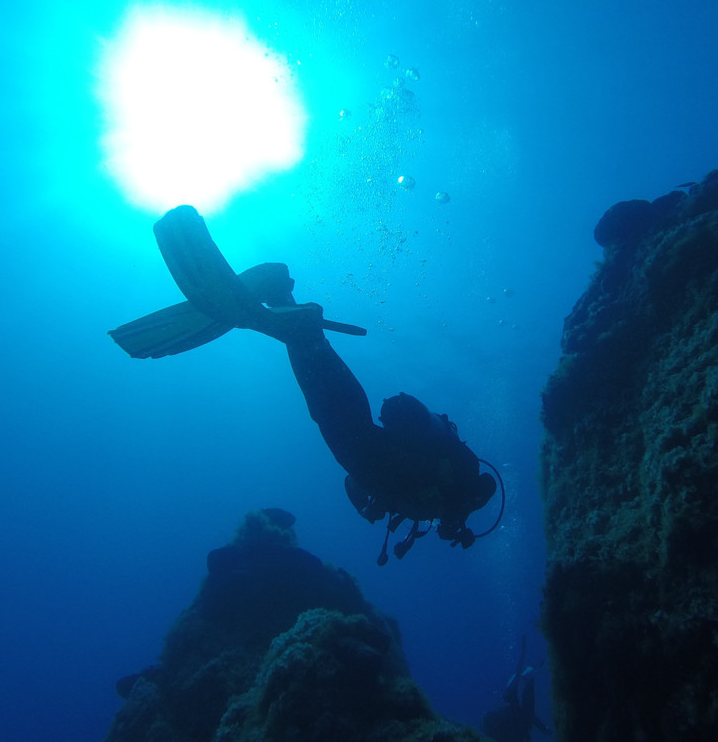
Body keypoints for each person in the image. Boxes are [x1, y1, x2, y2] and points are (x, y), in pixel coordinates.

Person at [109, 205, 500, 564]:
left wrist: (372, 505)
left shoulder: (437, 493)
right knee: (313, 364)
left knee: (311, 356)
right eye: (454, 530)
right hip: (360, 445)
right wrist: (421, 506)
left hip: (359, 441)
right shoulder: (453, 493)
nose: (448, 531)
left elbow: (359, 485)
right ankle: (286, 312)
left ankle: (283, 294)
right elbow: (401, 480)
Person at [482, 636, 550, 742]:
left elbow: (529, 715)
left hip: (516, 728)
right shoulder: (512, 702)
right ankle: (531, 673)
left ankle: (531, 673)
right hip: (517, 728)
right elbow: (529, 715)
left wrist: (523, 652)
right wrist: (523, 651)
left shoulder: (510, 704)